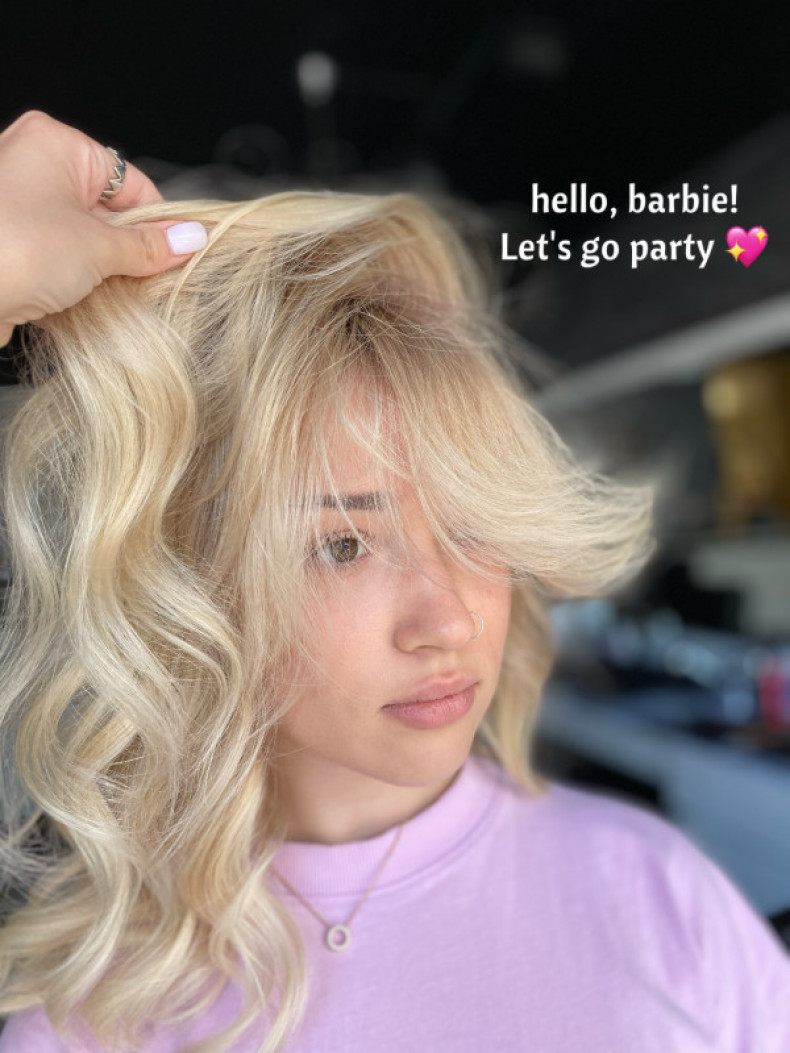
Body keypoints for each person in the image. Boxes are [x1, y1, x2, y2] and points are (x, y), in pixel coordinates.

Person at [0, 110, 787, 1053]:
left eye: (473, 527)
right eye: (342, 544)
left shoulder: (661, 892)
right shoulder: (94, 1014)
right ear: (200, 579)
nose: (448, 620)